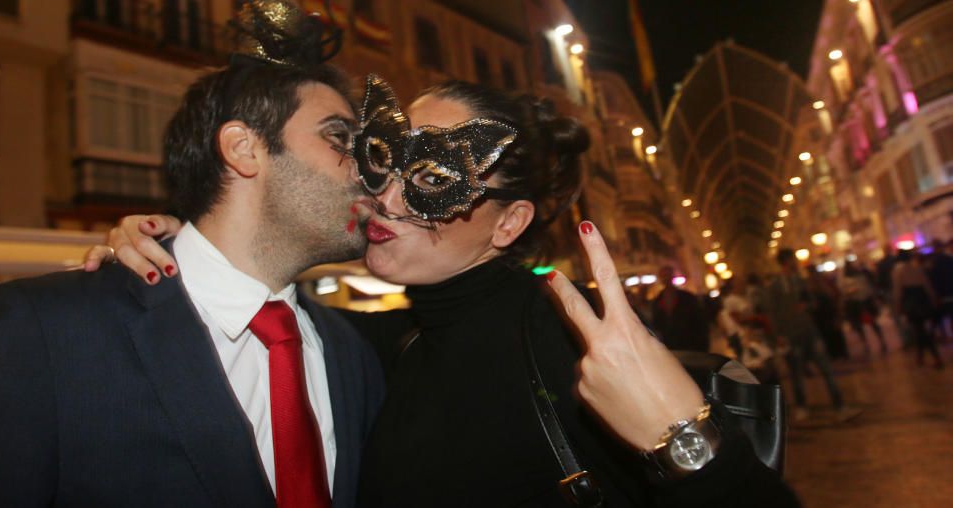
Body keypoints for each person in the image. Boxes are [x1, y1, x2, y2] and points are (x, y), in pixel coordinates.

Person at [93, 75, 800, 505]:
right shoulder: (366, 345)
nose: (388, 197)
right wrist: (173, 246)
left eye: (433, 180)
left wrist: (684, 440)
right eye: (382, 162)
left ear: (510, 223)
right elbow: (251, 302)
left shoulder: (572, 344)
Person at [0, 0, 385, 506]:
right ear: (244, 149)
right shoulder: (42, 330)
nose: (368, 168)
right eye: (340, 138)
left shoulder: (352, 351)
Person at [756, 248, 861, 423]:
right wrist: (778, 336)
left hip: (810, 332)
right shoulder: (775, 286)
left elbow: (812, 302)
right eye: (793, 260)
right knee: (797, 374)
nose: (796, 263)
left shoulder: (801, 281)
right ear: (786, 262)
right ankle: (802, 406)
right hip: (791, 335)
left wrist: (808, 304)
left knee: (827, 369)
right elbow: (771, 313)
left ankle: (840, 406)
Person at [892, 249, 944, 369]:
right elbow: (927, 286)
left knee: (919, 329)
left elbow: (898, 291)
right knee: (920, 329)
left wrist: (898, 305)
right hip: (922, 300)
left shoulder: (898, 271)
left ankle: (935, 357)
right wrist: (933, 299)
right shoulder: (917, 268)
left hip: (911, 302)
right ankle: (920, 356)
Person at [650, 264, 711, 352]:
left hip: (691, 344)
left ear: (672, 276)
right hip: (671, 346)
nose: (665, 278)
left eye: (667, 275)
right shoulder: (657, 301)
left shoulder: (687, 297)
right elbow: (657, 323)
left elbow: (700, 320)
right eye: (663, 276)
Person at [840, 259, 887, 355]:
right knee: (863, 325)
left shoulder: (858, 278)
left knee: (871, 323)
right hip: (857, 303)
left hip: (862, 302)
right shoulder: (850, 279)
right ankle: (869, 343)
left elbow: (867, 289)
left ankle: (878, 341)